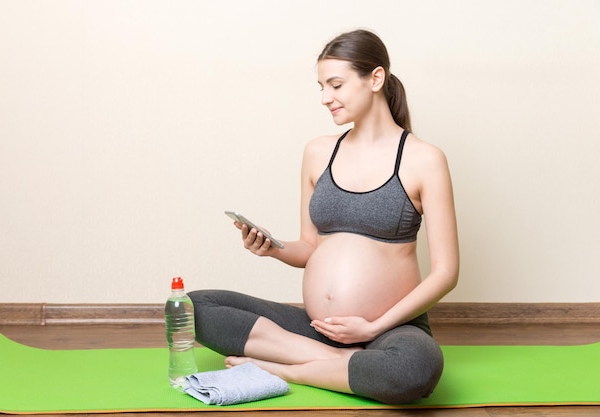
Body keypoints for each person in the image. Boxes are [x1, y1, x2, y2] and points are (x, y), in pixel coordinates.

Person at [188, 29, 459, 404]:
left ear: (375, 79)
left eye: (335, 85)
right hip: (316, 327)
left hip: (389, 328)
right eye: (320, 86)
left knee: (414, 369)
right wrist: (274, 247)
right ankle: (339, 362)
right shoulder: (318, 153)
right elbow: (310, 247)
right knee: (193, 307)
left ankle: (284, 367)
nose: (324, 98)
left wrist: (373, 326)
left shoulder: (424, 159)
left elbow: (447, 273)